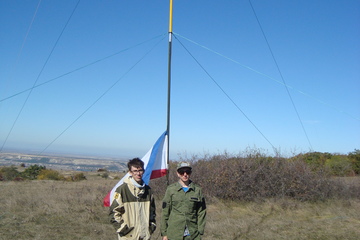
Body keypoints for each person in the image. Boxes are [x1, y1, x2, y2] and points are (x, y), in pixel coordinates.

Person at [109, 158, 156, 240]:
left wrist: (151, 227)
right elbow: (113, 213)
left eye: (140, 170)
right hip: (128, 236)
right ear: (130, 172)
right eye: (135, 171)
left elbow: (152, 212)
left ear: (143, 171)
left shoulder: (148, 191)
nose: (138, 173)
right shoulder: (122, 190)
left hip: (145, 236)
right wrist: (124, 230)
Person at [161, 161, 206, 240]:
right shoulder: (171, 190)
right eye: (182, 172)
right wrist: (164, 233)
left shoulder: (197, 190)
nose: (185, 174)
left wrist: (200, 230)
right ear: (178, 173)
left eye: (187, 172)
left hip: (192, 234)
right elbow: (165, 212)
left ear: (190, 173)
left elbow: (201, 211)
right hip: (174, 233)